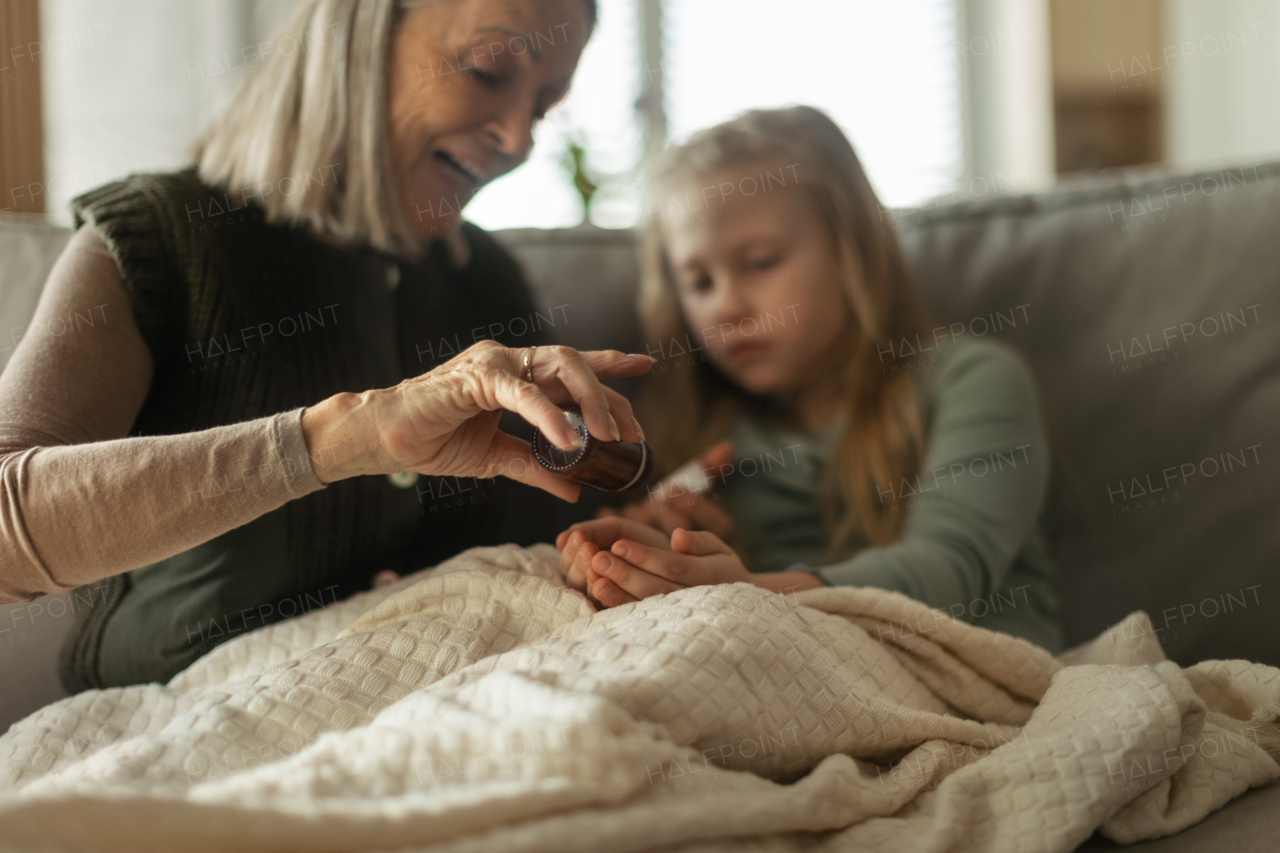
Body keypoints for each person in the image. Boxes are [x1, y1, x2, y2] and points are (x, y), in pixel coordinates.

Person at [0, 0, 655, 690]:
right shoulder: (160, 240)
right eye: (490, 70)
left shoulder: (486, 284)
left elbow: (542, 540)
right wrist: (344, 439)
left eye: (546, 108)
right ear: (357, 34)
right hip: (181, 739)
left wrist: (627, 538)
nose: (519, 138)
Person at [557, 106, 1064, 652]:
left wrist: (744, 590)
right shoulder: (702, 429)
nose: (727, 306)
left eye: (761, 262)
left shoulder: (971, 381)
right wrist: (657, 559)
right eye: (699, 282)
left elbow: (949, 569)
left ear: (853, 253)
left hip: (974, 666)